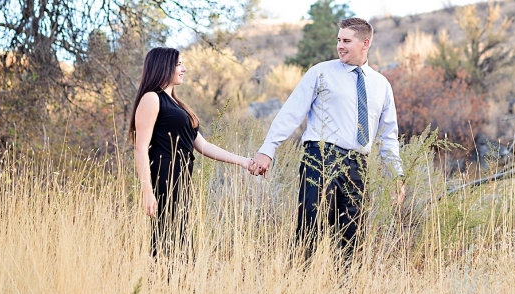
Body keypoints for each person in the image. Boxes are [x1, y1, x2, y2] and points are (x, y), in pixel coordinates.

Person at [249, 17, 405, 261]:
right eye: (338, 40)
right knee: (309, 231)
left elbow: (388, 136)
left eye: (346, 41)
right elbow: (291, 113)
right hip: (321, 159)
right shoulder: (321, 72)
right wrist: (267, 149)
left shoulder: (381, 85)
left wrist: (396, 175)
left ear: (365, 43)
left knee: (352, 239)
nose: (340, 46)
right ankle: (296, 289)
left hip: (358, 167)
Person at [130, 47, 254, 259]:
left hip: (182, 179)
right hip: (164, 178)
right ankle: (162, 285)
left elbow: (203, 146)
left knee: (179, 237)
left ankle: (176, 286)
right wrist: (147, 192)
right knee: (166, 238)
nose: (184, 69)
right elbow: (140, 148)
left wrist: (244, 161)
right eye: (179, 64)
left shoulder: (177, 104)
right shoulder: (152, 98)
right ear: (163, 66)